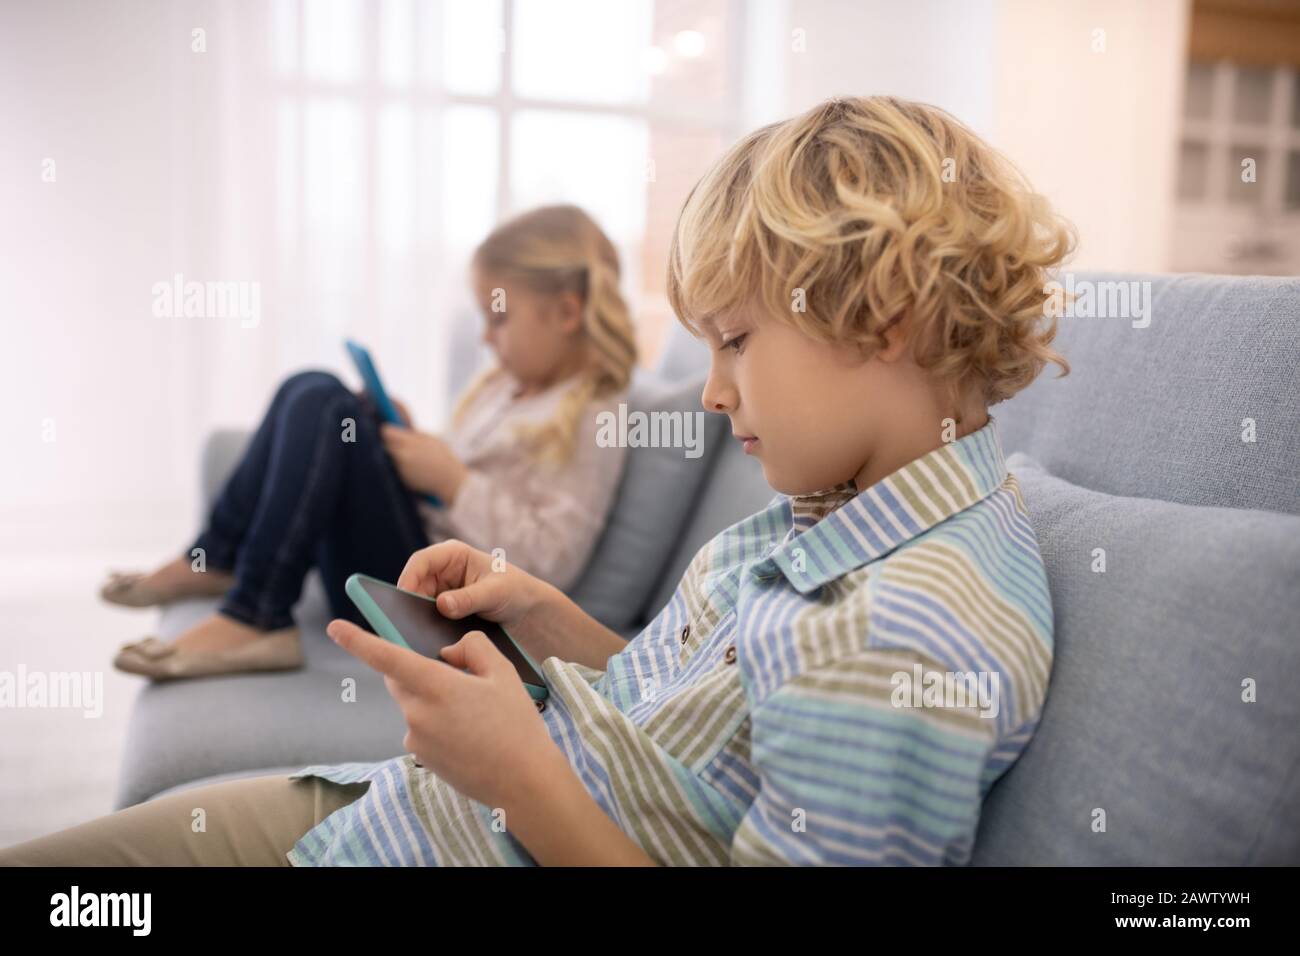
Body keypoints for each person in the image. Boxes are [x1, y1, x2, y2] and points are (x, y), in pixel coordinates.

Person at [3, 95, 1070, 864]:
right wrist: (555, 623)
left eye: (736, 340)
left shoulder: (900, 634)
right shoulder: (843, 515)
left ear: (886, 315)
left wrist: (519, 773)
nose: (708, 395)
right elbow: (696, 720)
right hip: (397, 810)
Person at [99, 204, 637, 681]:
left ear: (566, 313)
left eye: (499, 318)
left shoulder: (594, 412)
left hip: (431, 602)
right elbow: (470, 476)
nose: (486, 337)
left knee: (326, 406)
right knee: (310, 387)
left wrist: (453, 481)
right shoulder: (507, 388)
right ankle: (214, 560)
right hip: (412, 545)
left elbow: (550, 561)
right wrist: (414, 443)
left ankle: (257, 616)